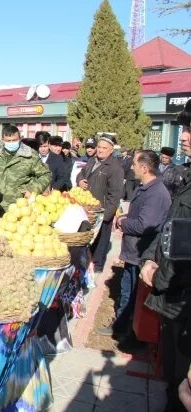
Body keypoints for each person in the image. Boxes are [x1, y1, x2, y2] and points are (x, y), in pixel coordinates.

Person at [140, 99, 191, 412]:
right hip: (173, 303)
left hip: (184, 303)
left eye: (189, 129)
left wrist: (158, 274)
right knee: (172, 382)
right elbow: (170, 228)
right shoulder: (186, 177)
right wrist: (149, 257)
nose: (183, 136)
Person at [98, 151, 171, 349]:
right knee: (127, 290)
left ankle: (133, 334)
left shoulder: (157, 193)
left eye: (135, 164)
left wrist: (123, 221)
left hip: (142, 252)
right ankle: (122, 325)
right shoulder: (146, 187)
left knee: (135, 295)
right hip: (133, 252)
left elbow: (145, 225)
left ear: (145, 168)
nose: (131, 167)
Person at [76, 135, 124, 273]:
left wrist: (106, 216)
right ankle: (86, 264)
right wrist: (80, 180)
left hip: (102, 211)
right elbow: (81, 173)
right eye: (99, 147)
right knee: (88, 239)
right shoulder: (92, 160)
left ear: (111, 151)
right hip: (87, 208)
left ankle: (97, 267)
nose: (101, 150)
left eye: (104, 148)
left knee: (101, 242)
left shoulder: (115, 168)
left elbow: (115, 195)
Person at [0, 125, 51, 209]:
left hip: (21, 206)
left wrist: (33, 190)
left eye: (14, 140)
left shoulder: (30, 155)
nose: (12, 143)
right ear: (3, 140)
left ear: (20, 138)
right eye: (8, 141)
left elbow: (45, 174)